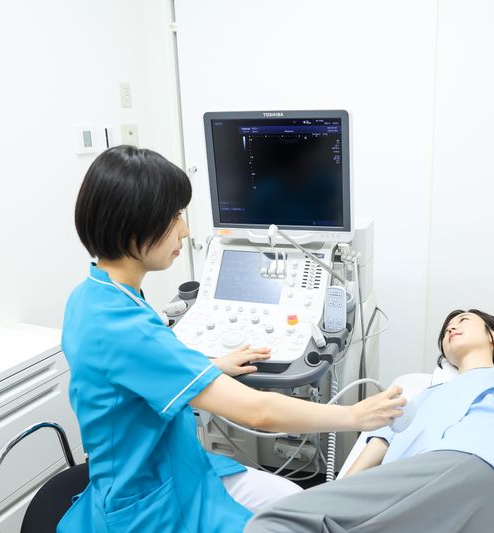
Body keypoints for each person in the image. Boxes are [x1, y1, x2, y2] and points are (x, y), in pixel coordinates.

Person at [58, 145, 405, 532]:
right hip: (151, 500)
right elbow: (259, 412)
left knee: (294, 500)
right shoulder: (124, 327)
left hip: (173, 464)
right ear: (133, 224)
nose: (185, 230)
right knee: (298, 520)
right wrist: (355, 416)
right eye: (173, 217)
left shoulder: (91, 296)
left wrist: (208, 368)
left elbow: (136, 375)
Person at [245, 309, 494, 533]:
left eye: (463, 321)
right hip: (439, 506)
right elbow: (379, 443)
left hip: (469, 464)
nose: (451, 328)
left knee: (278, 520)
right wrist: (337, 492)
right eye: (446, 330)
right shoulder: (421, 396)